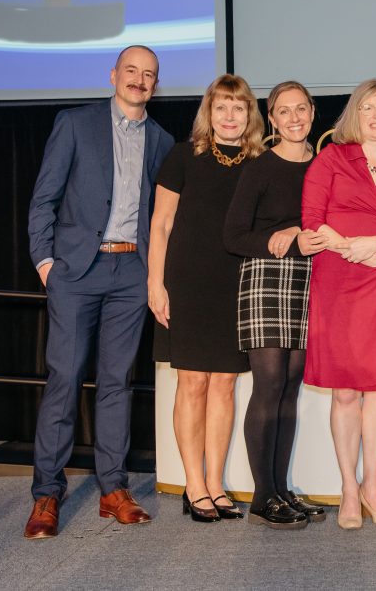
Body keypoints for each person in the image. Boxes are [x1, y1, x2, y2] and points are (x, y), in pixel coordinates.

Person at [25, 45, 174, 539]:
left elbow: (161, 216)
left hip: (130, 273)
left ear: (156, 84)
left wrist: (153, 275)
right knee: (65, 381)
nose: (139, 79)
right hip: (76, 272)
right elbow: (43, 198)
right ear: (114, 75)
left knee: (117, 383)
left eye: (148, 74)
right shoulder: (75, 123)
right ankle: (47, 492)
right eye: (131, 70)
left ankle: (113, 488)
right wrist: (46, 263)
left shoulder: (161, 140)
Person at [301, 78, 376, 529]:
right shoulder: (330, 158)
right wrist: (352, 246)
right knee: (346, 390)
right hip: (339, 281)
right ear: (355, 113)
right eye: (368, 107)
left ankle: (372, 487)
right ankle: (348, 490)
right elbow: (312, 222)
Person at [148, 74, 263, 523]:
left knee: (226, 384)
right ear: (208, 113)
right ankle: (193, 485)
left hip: (237, 283)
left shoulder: (260, 161)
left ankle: (215, 483)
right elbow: (160, 224)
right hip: (189, 282)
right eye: (221, 107)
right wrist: (155, 284)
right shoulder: (183, 156)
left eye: (238, 107)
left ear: (249, 113)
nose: (230, 116)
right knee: (193, 383)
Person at [223, 81, 328, 530]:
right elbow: (232, 236)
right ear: (272, 118)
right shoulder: (260, 168)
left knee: (290, 388)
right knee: (268, 387)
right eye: (283, 111)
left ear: (312, 112)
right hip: (266, 277)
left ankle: (281, 489)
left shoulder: (325, 166)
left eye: (300, 109)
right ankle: (262, 497)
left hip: (311, 278)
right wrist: (275, 238)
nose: (293, 118)